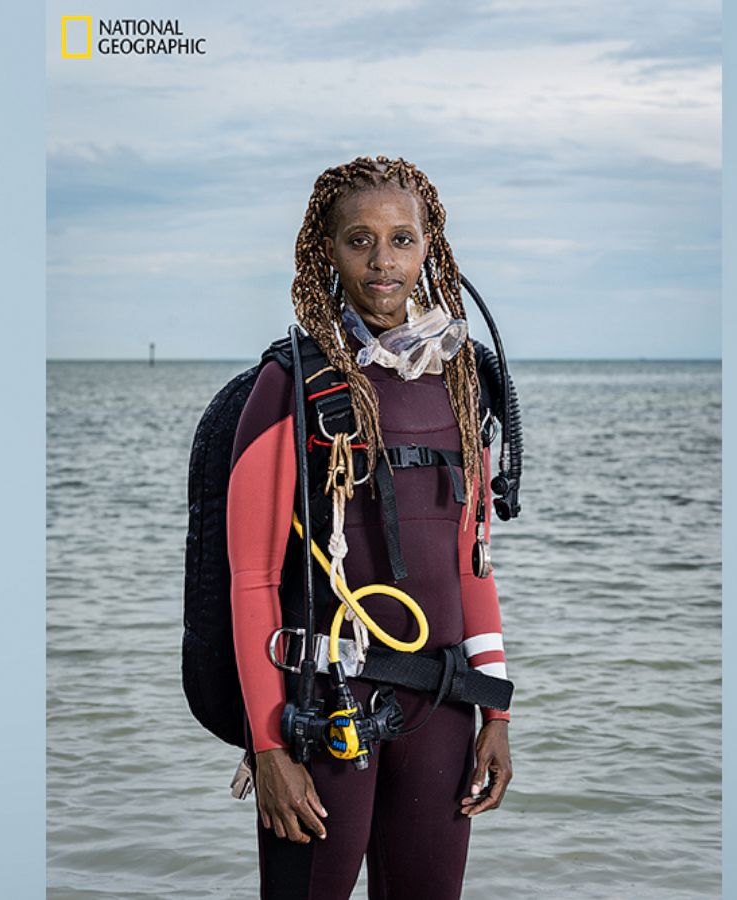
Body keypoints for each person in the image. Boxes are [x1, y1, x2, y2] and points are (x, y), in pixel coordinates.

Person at [226, 156, 514, 900]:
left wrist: (496, 707)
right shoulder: (289, 385)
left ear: (431, 247)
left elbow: (472, 562)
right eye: (359, 240)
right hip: (324, 709)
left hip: (444, 707)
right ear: (326, 251)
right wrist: (266, 748)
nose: (383, 261)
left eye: (402, 239)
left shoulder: (461, 383)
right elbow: (252, 579)